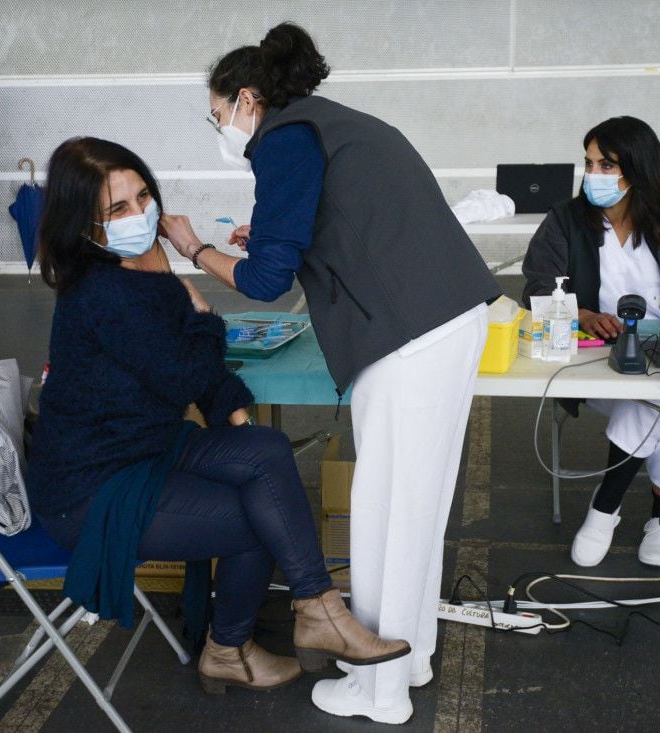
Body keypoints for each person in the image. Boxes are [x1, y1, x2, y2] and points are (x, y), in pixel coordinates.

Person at [160, 22, 501, 725]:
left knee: (384, 512)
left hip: (410, 336)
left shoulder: (283, 139)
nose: (219, 127)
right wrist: (280, 235)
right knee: (418, 507)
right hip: (444, 320)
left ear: (246, 99)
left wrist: (194, 248)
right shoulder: (329, 125)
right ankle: (413, 655)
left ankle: (379, 691)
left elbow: (263, 279)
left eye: (217, 114)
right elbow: (340, 220)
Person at [28, 137, 409, 696]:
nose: (140, 214)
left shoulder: (132, 268)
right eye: (118, 209)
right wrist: (201, 315)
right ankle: (232, 648)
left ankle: (316, 606)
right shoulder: (105, 292)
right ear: (86, 226)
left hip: (143, 447)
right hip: (92, 488)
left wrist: (228, 406)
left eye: (143, 197)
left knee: (268, 454)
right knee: (256, 516)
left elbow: (194, 373)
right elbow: (188, 370)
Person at [521, 116, 660, 569]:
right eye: (590, 163)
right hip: (592, 361)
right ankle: (659, 516)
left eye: (605, 165)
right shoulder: (564, 220)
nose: (593, 174)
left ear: (635, 169)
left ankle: (608, 508)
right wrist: (587, 315)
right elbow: (537, 289)